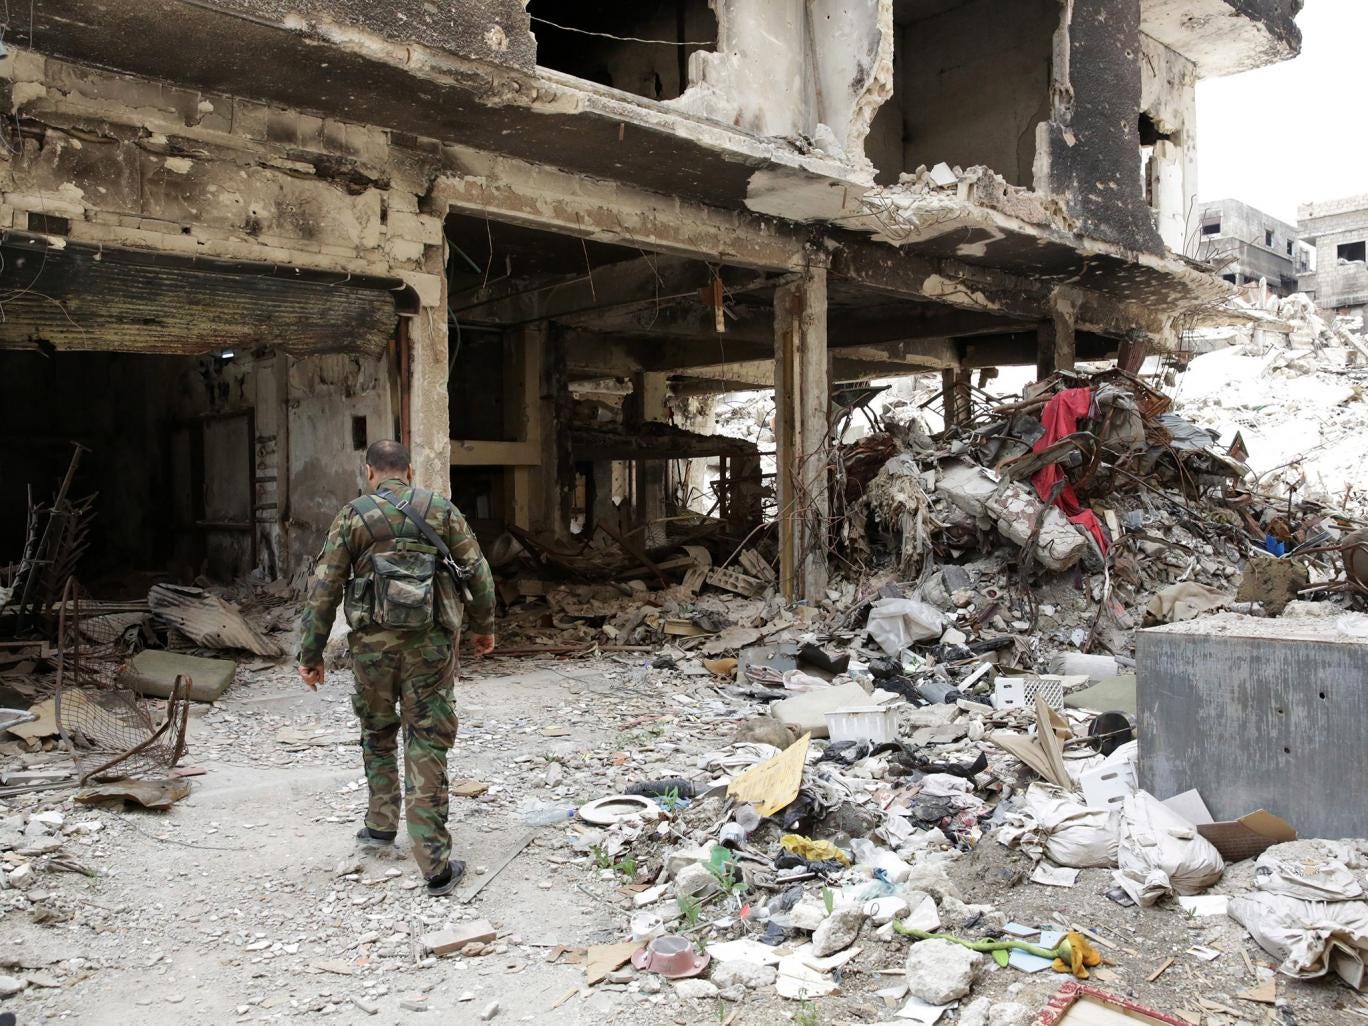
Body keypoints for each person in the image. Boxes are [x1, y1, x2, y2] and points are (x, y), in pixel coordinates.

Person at [297, 440, 496, 896]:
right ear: (409, 470)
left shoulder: (353, 515)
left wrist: (311, 656)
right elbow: (478, 573)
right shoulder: (441, 509)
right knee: (426, 740)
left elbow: (323, 589)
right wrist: (484, 628)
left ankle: (380, 826)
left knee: (378, 731)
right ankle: (435, 864)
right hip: (431, 646)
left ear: (369, 472)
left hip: (372, 650)